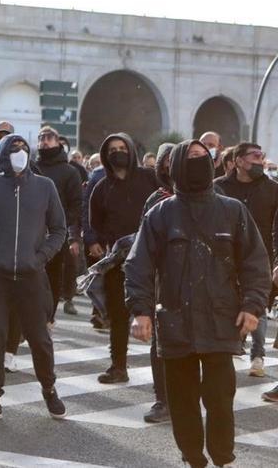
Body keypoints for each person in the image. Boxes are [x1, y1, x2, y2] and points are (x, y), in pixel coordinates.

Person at [126, 139, 271, 468]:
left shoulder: (233, 210)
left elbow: (254, 262)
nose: (199, 162)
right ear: (176, 166)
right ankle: (193, 457)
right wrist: (141, 311)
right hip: (175, 320)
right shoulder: (159, 214)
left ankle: (222, 457)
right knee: (182, 400)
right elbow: (139, 266)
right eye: (191, 158)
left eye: (204, 157)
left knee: (220, 398)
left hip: (223, 319)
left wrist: (252, 305)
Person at [0, 134, 67, 422]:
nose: (18, 153)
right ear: (0, 155)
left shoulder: (45, 187)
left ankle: (49, 389)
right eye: (12, 149)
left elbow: (59, 229)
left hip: (32, 276)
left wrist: (42, 256)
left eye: (22, 148)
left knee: (39, 338)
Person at [88, 133, 158, 384]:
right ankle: (118, 366)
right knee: (118, 315)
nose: (118, 152)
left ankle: (165, 376)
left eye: (122, 147)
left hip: (153, 257)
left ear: (131, 149)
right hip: (118, 260)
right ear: (106, 156)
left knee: (157, 314)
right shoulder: (101, 187)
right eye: (112, 149)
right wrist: (94, 241)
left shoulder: (150, 178)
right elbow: (94, 222)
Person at [213, 142, 278, 380]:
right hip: (224, 261)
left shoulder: (273, 190)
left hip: (261, 260)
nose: (260, 160)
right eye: (254, 156)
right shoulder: (218, 188)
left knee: (257, 304)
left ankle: (258, 354)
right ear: (239, 161)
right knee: (226, 305)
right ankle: (228, 346)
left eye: (262, 155)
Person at [140, 143, 178, 424]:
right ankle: (163, 399)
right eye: (167, 161)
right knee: (160, 342)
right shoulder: (156, 199)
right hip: (162, 281)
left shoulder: (211, 194)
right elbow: (143, 244)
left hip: (200, 283)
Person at [32, 127, 83, 324]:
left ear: (58, 142)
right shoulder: (31, 168)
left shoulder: (70, 171)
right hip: (30, 232)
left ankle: (48, 319)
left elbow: (76, 204)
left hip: (55, 235)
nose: (45, 141)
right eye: (41, 138)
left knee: (52, 279)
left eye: (49, 138)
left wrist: (62, 227)